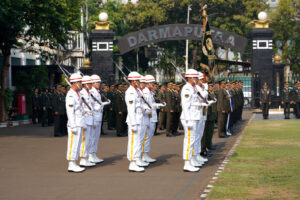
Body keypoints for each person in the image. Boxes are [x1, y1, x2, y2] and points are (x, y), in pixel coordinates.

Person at [181, 69, 205, 172]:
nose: (197, 79)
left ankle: (191, 160)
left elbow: (196, 101)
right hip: (190, 117)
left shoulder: (193, 88)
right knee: (189, 140)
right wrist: (188, 120)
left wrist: (203, 104)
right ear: (190, 78)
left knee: (193, 139)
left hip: (195, 116)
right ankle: (187, 163)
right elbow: (186, 106)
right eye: (195, 77)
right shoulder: (187, 88)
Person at [125, 72, 149, 172]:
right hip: (134, 119)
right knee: (133, 142)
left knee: (139, 141)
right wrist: (133, 123)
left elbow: (140, 104)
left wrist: (145, 107)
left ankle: (137, 159)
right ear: (134, 81)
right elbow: (131, 109)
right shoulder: (130, 92)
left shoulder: (137, 91)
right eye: (138, 80)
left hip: (140, 118)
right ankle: (132, 162)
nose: (140, 82)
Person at [142, 75, 166, 163]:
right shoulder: (145, 92)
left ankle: (146, 154)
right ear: (148, 83)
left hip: (152, 116)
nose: (153, 84)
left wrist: (159, 105)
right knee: (146, 137)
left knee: (149, 136)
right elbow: (146, 106)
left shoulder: (150, 92)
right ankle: (144, 155)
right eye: (152, 82)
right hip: (148, 117)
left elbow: (151, 104)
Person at [66, 73, 85, 173]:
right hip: (75, 124)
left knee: (77, 144)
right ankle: (71, 163)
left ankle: (74, 163)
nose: (81, 84)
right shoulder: (70, 95)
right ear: (75, 83)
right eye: (80, 82)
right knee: (73, 144)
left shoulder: (77, 94)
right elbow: (70, 112)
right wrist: (73, 125)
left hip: (79, 122)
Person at [89, 74, 111, 163]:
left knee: (96, 137)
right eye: (97, 82)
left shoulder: (97, 91)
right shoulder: (91, 92)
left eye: (99, 82)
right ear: (93, 83)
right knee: (92, 137)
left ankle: (94, 154)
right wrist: (103, 104)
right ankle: (90, 155)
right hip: (94, 116)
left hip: (98, 116)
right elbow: (94, 106)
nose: (99, 83)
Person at [79, 76, 96, 167]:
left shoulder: (89, 93)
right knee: (84, 140)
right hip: (85, 119)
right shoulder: (82, 93)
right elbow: (80, 107)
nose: (91, 85)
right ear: (85, 84)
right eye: (89, 83)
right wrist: (86, 111)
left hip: (90, 118)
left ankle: (86, 157)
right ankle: (83, 158)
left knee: (88, 139)